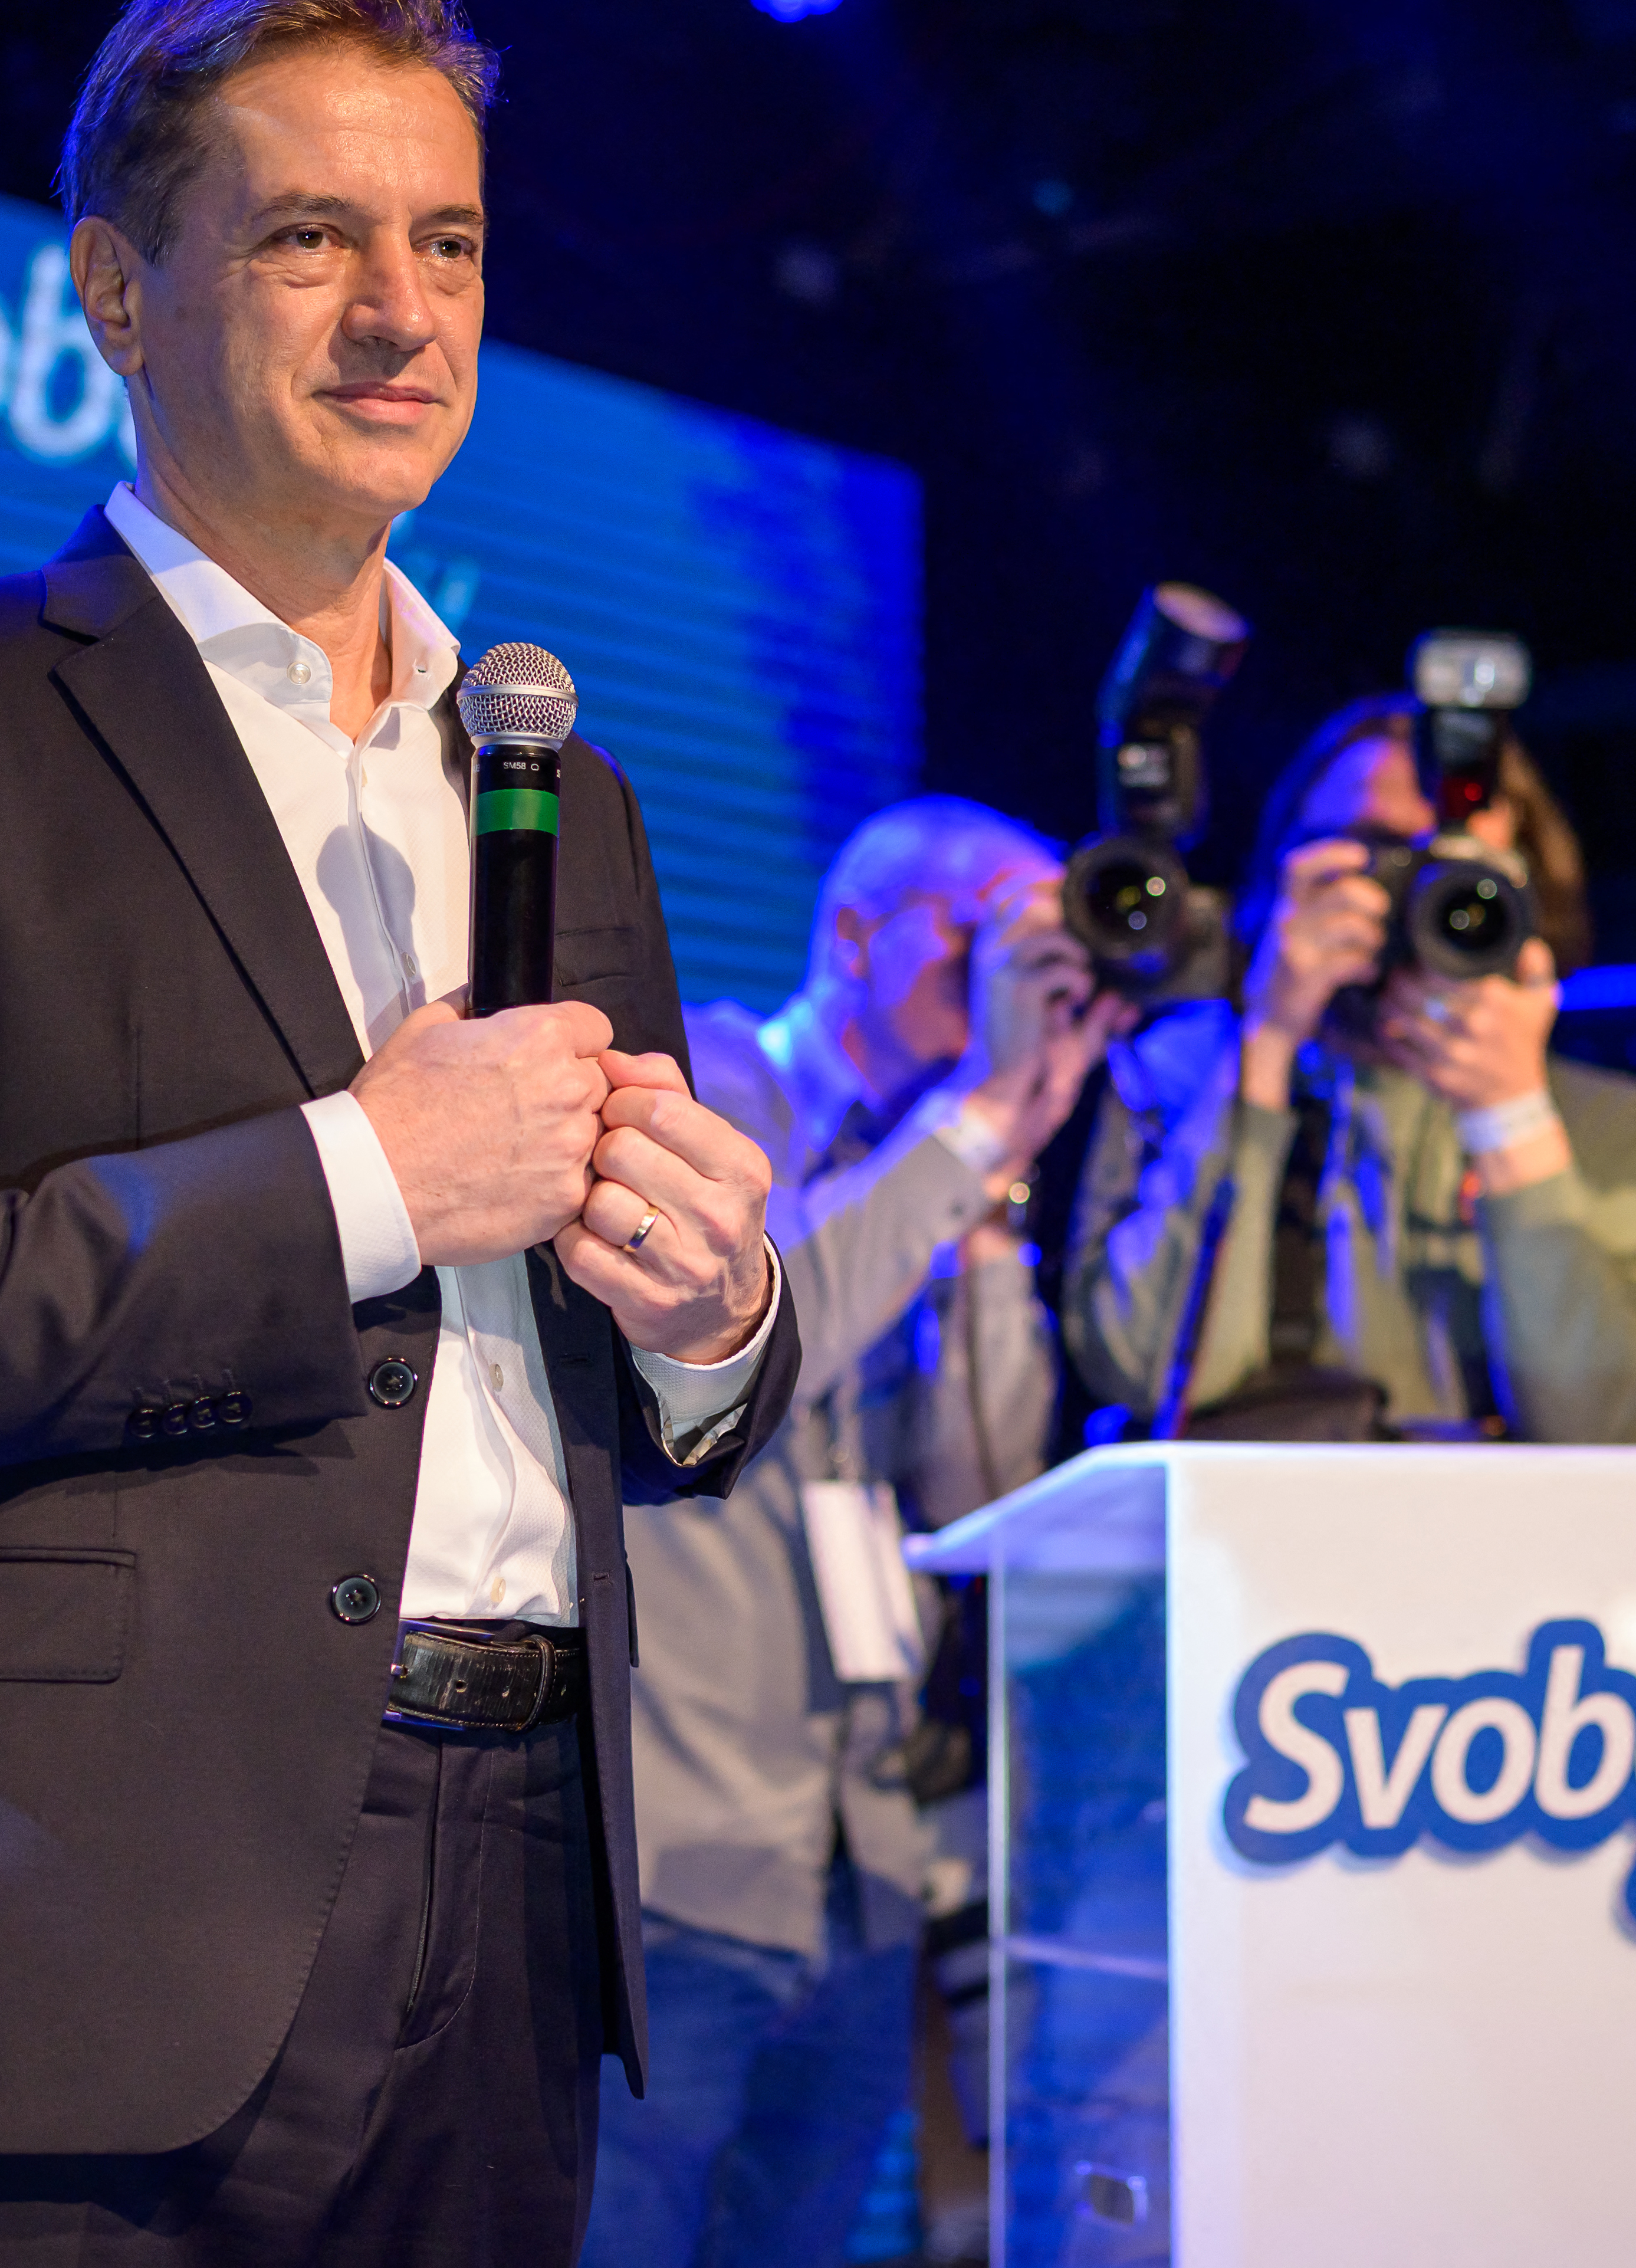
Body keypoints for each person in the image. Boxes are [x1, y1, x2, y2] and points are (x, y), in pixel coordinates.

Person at [0, 0, 801, 2268]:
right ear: (114, 293)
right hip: (71, 1921)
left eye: (444, 242)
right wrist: (362, 1172)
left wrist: (711, 1322)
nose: (399, 310)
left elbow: (652, 1405)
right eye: (307, 237)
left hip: (527, 1906)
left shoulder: (568, 788)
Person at [583, 796, 1121, 2268]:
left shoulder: (952, 1167)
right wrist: (976, 1129)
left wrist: (995, 1199)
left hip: (866, 1870)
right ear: (852, 934)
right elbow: (766, 1323)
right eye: (987, 931)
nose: (1021, 972)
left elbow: (980, 1485)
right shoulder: (703, 1076)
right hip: (682, 1857)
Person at [1065, 695, 1636, 1443]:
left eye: (1440, 865)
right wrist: (1264, 1045)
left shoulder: (1612, 1125)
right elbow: (1146, 1374)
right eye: (1367, 853)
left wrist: (1510, 1118)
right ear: (1285, 871)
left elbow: (1612, 1435)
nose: (1405, 895)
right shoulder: (1173, 1073)